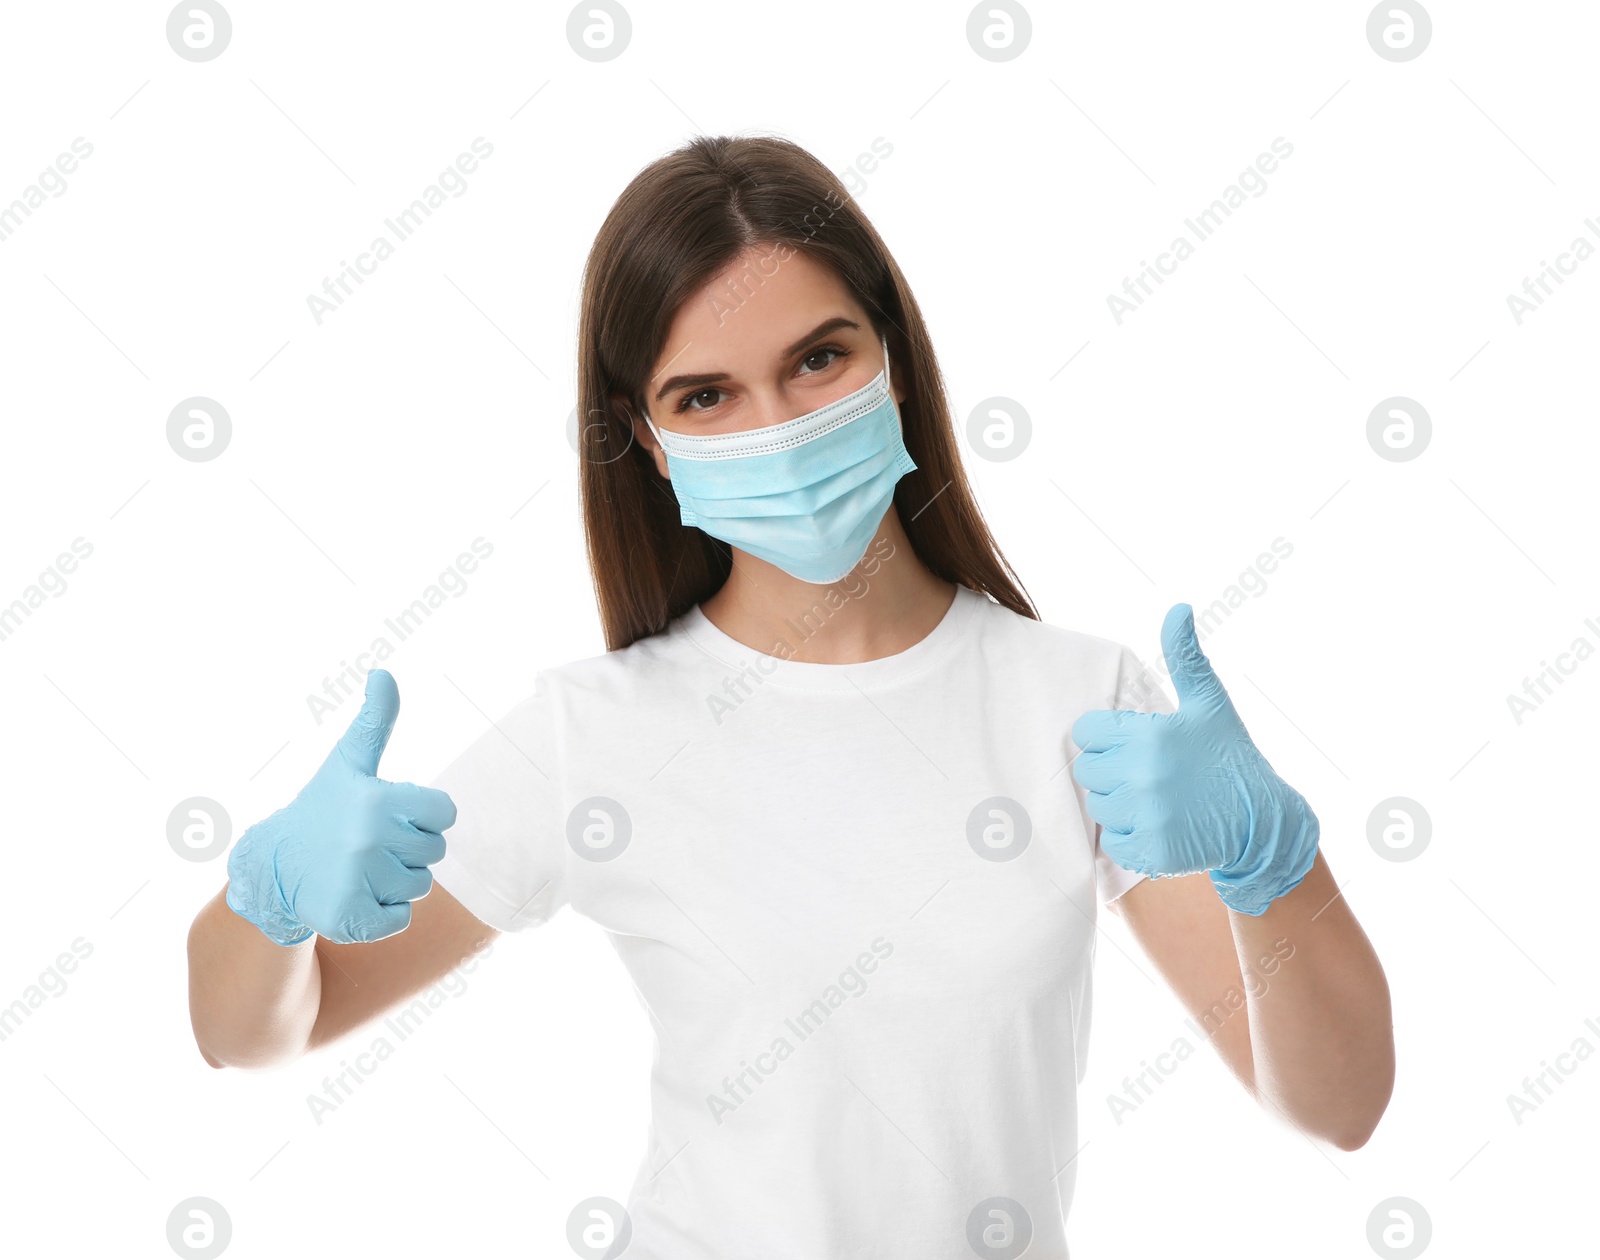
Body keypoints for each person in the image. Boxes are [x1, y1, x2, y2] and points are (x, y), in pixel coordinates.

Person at [187, 134, 1394, 1257]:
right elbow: (253, 1035)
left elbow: (1338, 1108)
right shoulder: (592, 734)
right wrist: (270, 904)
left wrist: (1277, 870)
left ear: (894, 360)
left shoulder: (1081, 705)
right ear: (650, 443)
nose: (777, 427)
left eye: (818, 360)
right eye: (705, 396)